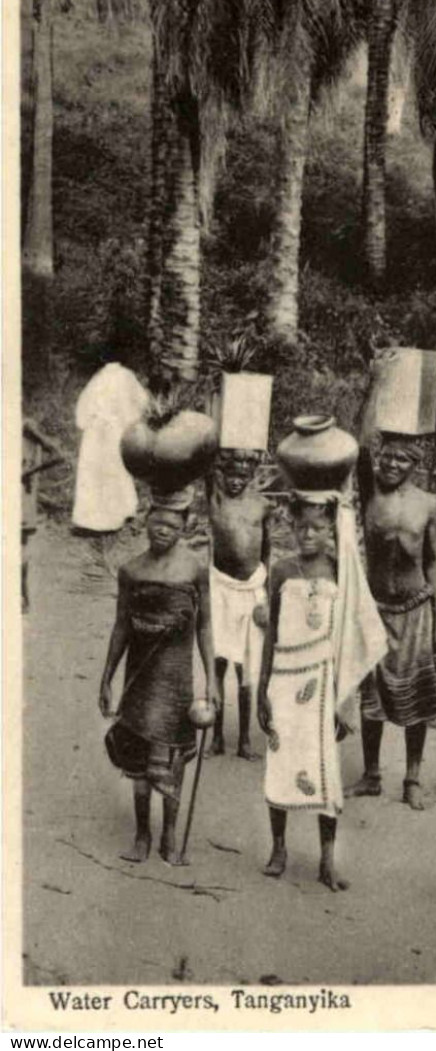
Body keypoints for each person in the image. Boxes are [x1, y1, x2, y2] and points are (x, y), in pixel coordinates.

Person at [258, 492, 387, 891]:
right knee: (280, 764)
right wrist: (263, 686)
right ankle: (278, 847)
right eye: (301, 527)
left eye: (317, 527)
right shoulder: (280, 571)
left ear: (331, 528)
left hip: (323, 684)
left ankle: (327, 859)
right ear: (291, 527)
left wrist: (343, 693)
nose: (308, 534)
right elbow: (271, 633)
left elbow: (352, 634)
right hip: (284, 678)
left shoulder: (340, 573)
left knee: (325, 769)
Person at [99, 487, 218, 865]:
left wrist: (212, 680)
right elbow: (120, 626)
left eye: (172, 523)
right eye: (157, 521)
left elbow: (205, 627)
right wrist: (107, 677)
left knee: (171, 755)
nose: (162, 530)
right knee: (137, 754)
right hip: (140, 675)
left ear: (185, 526)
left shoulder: (196, 570)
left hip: (176, 678)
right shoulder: (131, 570)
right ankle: (142, 834)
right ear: (145, 521)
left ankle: (169, 833)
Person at [346, 363, 436, 812]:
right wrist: (376, 382)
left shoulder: (428, 505)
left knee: (415, 696)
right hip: (375, 607)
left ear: (414, 466)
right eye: (387, 455)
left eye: (401, 459)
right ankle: (370, 774)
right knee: (372, 696)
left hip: (416, 608)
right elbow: (361, 440)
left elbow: (434, 559)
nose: (390, 463)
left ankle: (412, 777)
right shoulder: (369, 493)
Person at [206, 449, 272, 760]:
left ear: (252, 476)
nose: (236, 481)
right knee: (217, 665)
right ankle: (216, 737)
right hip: (221, 589)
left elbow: (266, 552)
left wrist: (268, 596)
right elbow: (207, 459)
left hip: (251, 590)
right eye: (231, 475)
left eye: (242, 476)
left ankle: (245, 740)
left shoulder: (262, 505)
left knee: (246, 670)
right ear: (222, 474)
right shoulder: (215, 500)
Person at [73, 358, 148, 533]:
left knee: (94, 472)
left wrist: (86, 422)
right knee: (114, 469)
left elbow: (83, 407)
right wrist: (130, 419)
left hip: (95, 431)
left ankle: (90, 519)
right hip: (114, 430)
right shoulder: (126, 376)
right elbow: (141, 401)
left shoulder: (98, 378)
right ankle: (116, 514)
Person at [22, 418, 64, 613]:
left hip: (21, 495)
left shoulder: (25, 425)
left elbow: (58, 455)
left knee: (18, 548)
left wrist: (27, 472)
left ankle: (23, 597)